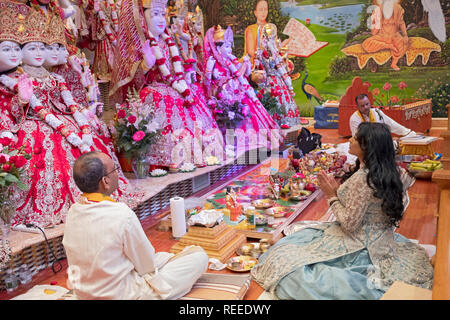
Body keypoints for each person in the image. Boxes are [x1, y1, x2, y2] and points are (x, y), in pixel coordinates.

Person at [251, 122, 433, 299]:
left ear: (366, 147)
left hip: (360, 245)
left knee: (286, 264)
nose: (350, 141)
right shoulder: (386, 171)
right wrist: (337, 192)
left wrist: (331, 195)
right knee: (292, 244)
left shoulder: (364, 179)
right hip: (380, 240)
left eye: (354, 139)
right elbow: (364, 204)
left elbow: (349, 224)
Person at [63, 151, 209, 299]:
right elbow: (146, 265)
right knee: (198, 257)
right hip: (125, 295)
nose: (117, 175)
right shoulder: (121, 214)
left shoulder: (72, 212)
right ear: (105, 181)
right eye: (115, 170)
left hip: (84, 294)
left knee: (165, 257)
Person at [110, 0, 222, 167]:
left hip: (177, 86)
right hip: (155, 91)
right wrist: (146, 63)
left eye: (162, 14)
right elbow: (134, 81)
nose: (161, 19)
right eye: (155, 15)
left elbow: (176, 67)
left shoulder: (169, 41)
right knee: (160, 97)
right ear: (143, 18)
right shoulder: (141, 44)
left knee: (194, 95)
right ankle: (168, 158)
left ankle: (197, 153)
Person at [203, 25, 281, 149]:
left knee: (248, 108)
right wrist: (208, 71)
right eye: (227, 46)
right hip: (223, 98)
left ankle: (254, 139)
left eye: (230, 46)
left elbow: (243, 74)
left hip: (236, 95)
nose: (229, 50)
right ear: (217, 47)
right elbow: (207, 85)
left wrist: (245, 64)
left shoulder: (230, 60)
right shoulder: (212, 61)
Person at [362, 0, 409, 71]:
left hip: (395, 36)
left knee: (403, 43)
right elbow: (373, 32)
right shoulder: (377, 10)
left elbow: (401, 23)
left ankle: (394, 63)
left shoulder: (398, 9)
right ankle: (388, 46)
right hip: (382, 36)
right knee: (366, 43)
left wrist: (405, 35)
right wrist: (377, 21)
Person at [349, 93, 416, 138]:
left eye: (367, 104)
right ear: (357, 106)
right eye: (362, 106)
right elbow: (358, 137)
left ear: (370, 103)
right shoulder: (354, 118)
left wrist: (407, 132)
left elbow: (391, 124)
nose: (366, 107)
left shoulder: (377, 112)